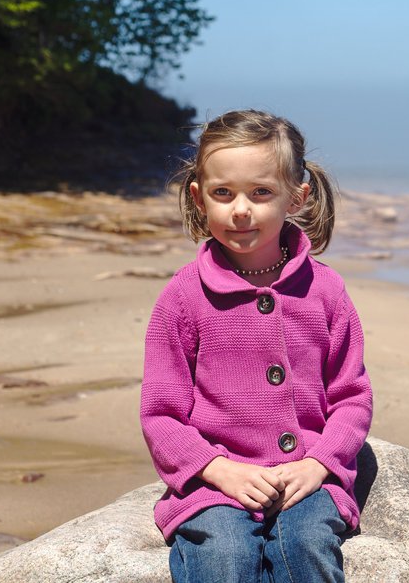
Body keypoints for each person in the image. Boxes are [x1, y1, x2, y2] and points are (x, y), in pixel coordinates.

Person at [140, 109, 372, 583]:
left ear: (296, 196)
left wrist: (320, 463)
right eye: (223, 193)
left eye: (261, 192)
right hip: (218, 484)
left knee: (305, 546)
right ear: (199, 198)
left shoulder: (325, 292)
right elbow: (160, 414)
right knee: (222, 555)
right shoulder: (183, 298)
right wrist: (216, 469)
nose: (240, 209)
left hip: (306, 478)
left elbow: (352, 397)